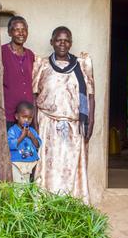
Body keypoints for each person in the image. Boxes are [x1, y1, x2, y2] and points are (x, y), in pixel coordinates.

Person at [33, 27, 95, 202]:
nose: (62, 43)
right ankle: (46, 203)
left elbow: (90, 95)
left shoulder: (82, 65)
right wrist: (35, 125)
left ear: (71, 43)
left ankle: (72, 205)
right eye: (59, 40)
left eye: (66, 40)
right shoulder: (42, 64)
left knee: (70, 166)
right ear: (52, 42)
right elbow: (34, 95)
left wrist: (90, 122)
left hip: (74, 126)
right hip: (47, 123)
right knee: (47, 167)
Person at [0, 16, 35, 181]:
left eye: (24, 29)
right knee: (3, 158)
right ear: (10, 32)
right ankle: (3, 196)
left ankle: (22, 195)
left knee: (24, 156)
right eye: (17, 29)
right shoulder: (1, 53)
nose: (21, 33)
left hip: (25, 117)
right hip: (6, 116)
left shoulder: (30, 55)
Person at [7, 101, 42, 183]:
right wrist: (22, 136)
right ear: (17, 116)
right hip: (16, 162)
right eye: (24, 117)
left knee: (26, 183)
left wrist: (31, 136)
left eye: (30, 118)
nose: (27, 120)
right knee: (17, 183)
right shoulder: (13, 130)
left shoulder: (32, 131)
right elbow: (10, 145)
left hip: (30, 161)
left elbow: (38, 145)